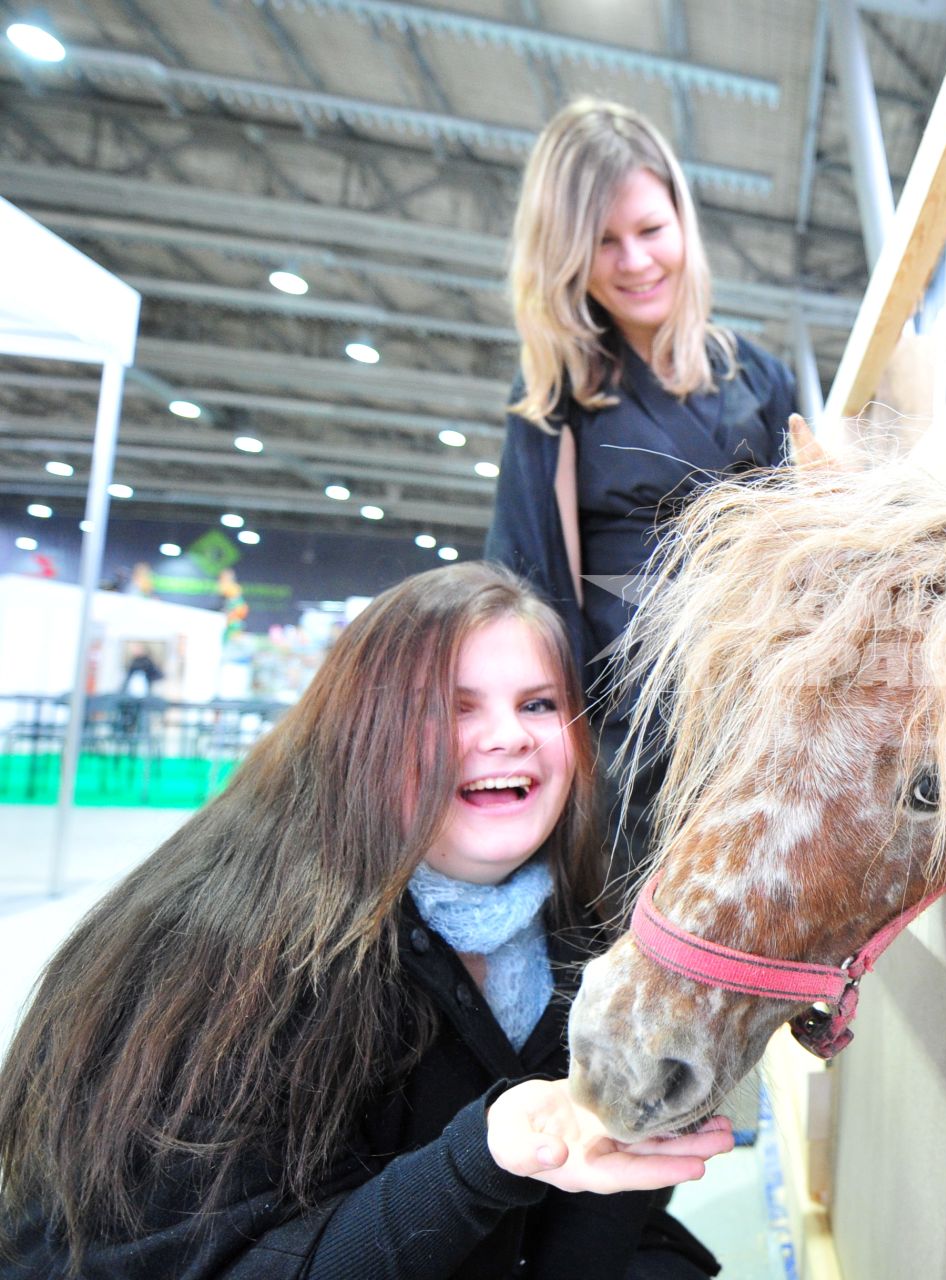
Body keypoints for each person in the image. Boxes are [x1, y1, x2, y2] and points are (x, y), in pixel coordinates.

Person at [0, 563, 733, 1279]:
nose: (509, 736)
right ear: (361, 731)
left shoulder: (590, 936)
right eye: (453, 706)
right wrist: (482, 1160)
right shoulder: (217, 956)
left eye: (538, 704)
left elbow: (584, 1224)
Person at [484, 98, 798, 868]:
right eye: (603, 242)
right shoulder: (556, 401)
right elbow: (527, 590)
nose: (634, 262)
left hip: (762, 737)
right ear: (565, 255)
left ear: (683, 223)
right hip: (625, 756)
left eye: (651, 231)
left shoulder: (761, 378)